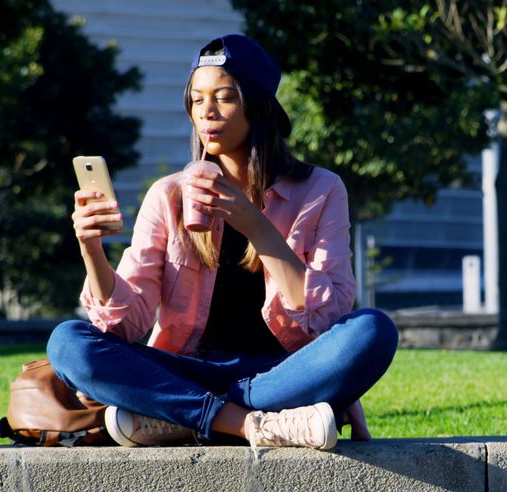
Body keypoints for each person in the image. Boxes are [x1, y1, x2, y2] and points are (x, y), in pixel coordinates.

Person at [47, 34, 399, 450]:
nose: (207, 113)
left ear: (258, 104)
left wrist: (255, 225)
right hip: (188, 370)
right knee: (68, 343)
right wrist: (91, 249)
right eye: (196, 100)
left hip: (282, 373)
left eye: (224, 97)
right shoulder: (169, 195)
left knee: (373, 330)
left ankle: (178, 416)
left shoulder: (321, 190)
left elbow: (329, 317)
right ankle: (250, 424)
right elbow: (126, 324)